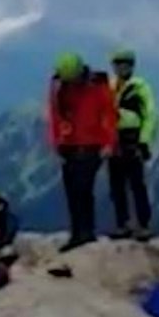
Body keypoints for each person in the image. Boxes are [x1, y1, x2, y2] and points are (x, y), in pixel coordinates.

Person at [47, 51, 117, 252]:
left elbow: (109, 114)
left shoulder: (97, 86)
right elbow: (55, 114)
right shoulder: (59, 87)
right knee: (72, 190)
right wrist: (56, 141)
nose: (71, 83)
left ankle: (86, 232)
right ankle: (77, 233)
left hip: (92, 145)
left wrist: (109, 143)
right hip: (68, 145)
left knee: (82, 189)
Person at [107, 48, 157, 241]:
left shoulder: (140, 87)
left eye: (124, 65)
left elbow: (149, 115)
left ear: (131, 66)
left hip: (132, 138)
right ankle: (123, 224)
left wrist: (144, 141)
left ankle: (143, 225)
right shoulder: (110, 87)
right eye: (117, 65)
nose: (120, 68)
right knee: (116, 185)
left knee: (137, 184)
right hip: (114, 139)